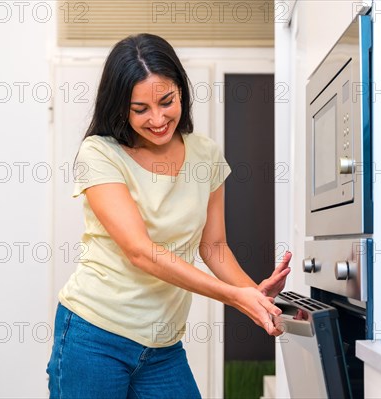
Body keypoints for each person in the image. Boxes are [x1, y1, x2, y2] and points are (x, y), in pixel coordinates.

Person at [46, 33, 292, 399]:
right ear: (119, 107)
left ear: (181, 91)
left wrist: (253, 294)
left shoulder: (205, 154)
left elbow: (214, 246)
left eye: (166, 101)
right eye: (140, 108)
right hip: (93, 335)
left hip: (162, 347)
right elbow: (140, 251)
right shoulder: (99, 153)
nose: (158, 119)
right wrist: (234, 297)